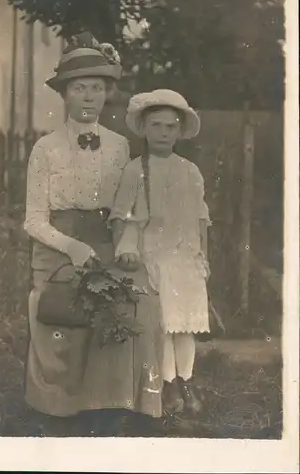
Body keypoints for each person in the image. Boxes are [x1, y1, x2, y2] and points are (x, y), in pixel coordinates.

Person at [24, 32, 163, 435]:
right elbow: (33, 220)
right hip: (57, 250)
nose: (89, 97)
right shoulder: (45, 148)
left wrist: (124, 241)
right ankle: (61, 407)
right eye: (80, 88)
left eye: (97, 89)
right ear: (65, 95)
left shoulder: (121, 146)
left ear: (107, 95)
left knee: (139, 296)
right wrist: (73, 247)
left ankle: (116, 403)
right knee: (67, 308)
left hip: (106, 243)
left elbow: (129, 211)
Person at [109, 89, 212, 416]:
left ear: (180, 131)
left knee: (186, 325)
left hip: (186, 258)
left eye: (170, 127)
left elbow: (200, 218)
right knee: (165, 323)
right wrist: (126, 249)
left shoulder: (190, 171)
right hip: (153, 256)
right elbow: (122, 217)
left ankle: (187, 380)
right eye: (156, 125)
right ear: (143, 128)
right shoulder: (135, 170)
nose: (164, 133)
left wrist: (203, 257)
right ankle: (167, 384)